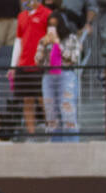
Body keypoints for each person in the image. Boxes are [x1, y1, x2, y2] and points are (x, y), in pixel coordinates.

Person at [35, 11, 82, 141]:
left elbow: (73, 58)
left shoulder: (71, 38)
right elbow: (38, 62)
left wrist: (58, 44)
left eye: (55, 25)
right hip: (48, 76)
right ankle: (55, 145)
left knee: (68, 111)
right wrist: (44, 46)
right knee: (51, 113)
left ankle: (72, 145)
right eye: (50, 25)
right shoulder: (44, 40)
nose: (53, 28)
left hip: (66, 75)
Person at [14, 0, 51, 133]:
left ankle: (51, 129)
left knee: (44, 98)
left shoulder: (47, 14)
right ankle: (31, 134)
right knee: (27, 100)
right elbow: (18, 40)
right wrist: (13, 65)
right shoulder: (21, 16)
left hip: (41, 65)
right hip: (24, 64)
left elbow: (51, 39)